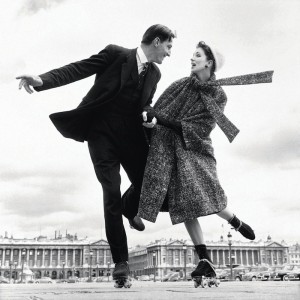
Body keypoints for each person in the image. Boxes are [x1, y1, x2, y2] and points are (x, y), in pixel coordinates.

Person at [16, 24, 175, 282]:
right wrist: (42, 80)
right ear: (157, 42)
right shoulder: (115, 54)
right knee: (110, 190)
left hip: (132, 137)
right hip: (102, 135)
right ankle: (121, 262)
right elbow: (78, 68)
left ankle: (128, 206)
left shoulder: (154, 74)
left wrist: (149, 114)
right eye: (168, 47)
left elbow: (146, 103)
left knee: (152, 185)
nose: (169, 53)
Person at [131, 41, 273, 280]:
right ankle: (204, 259)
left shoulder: (218, 94)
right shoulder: (179, 85)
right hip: (170, 149)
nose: (191, 58)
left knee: (207, 194)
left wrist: (161, 120)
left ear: (209, 62)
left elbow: (202, 128)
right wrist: (150, 118)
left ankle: (235, 221)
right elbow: (157, 109)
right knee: (185, 203)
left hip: (195, 149)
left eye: (197, 55)